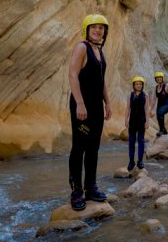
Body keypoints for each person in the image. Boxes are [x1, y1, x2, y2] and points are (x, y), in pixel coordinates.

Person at [68, 14, 112, 211]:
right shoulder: (82, 47)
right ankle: (77, 191)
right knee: (79, 147)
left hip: (96, 107)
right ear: (86, 29)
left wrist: (108, 103)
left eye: (101, 28)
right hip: (82, 106)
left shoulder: (99, 51)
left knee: (93, 147)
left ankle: (91, 187)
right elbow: (73, 74)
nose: (98, 30)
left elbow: (101, 81)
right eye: (94, 27)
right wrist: (79, 103)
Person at [125, 76, 150, 171]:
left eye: (140, 84)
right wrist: (126, 120)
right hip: (132, 122)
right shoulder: (130, 95)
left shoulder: (145, 95)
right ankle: (131, 161)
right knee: (131, 141)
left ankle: (140, 161)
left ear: (142, 85)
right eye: (136, 84)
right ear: (133, 85)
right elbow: (128, 108)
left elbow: (147, 109)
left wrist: (147, 121)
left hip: (141, 121)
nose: (138, 85)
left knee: (141, 141)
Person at [149, 72, 168, 136]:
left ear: (162, 78)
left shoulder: (167, 86)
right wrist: (151, 109)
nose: (159, 79)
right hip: (159, 106)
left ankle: (161, 130)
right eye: (157, 78)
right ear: (155, 79)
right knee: (159, 116)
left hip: (166, 105)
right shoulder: (156, 88)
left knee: (160, 113)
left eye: (160, 78)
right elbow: (154, 100)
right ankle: (164, 131)